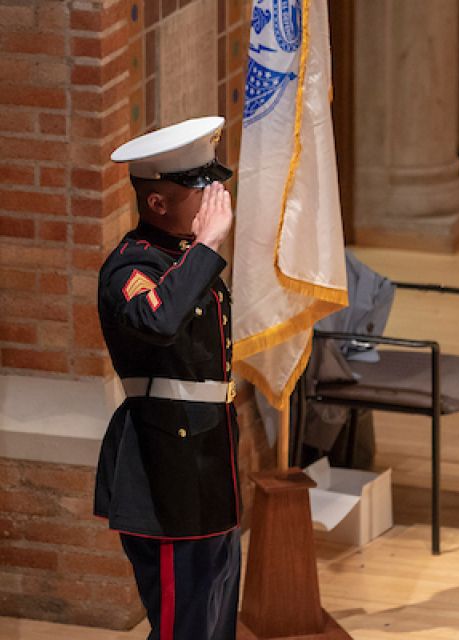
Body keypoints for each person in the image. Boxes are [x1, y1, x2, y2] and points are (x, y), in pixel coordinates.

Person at [94, 116, 241, 640]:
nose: (216, 197)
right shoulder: (129, 270)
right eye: (200, 187)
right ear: (158, 203)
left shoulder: (182, 261)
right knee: (184, 628)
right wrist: (206, 248)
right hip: (164, 473)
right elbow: (158, 320)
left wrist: (200, 252)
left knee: (215, 618)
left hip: (209, 466)